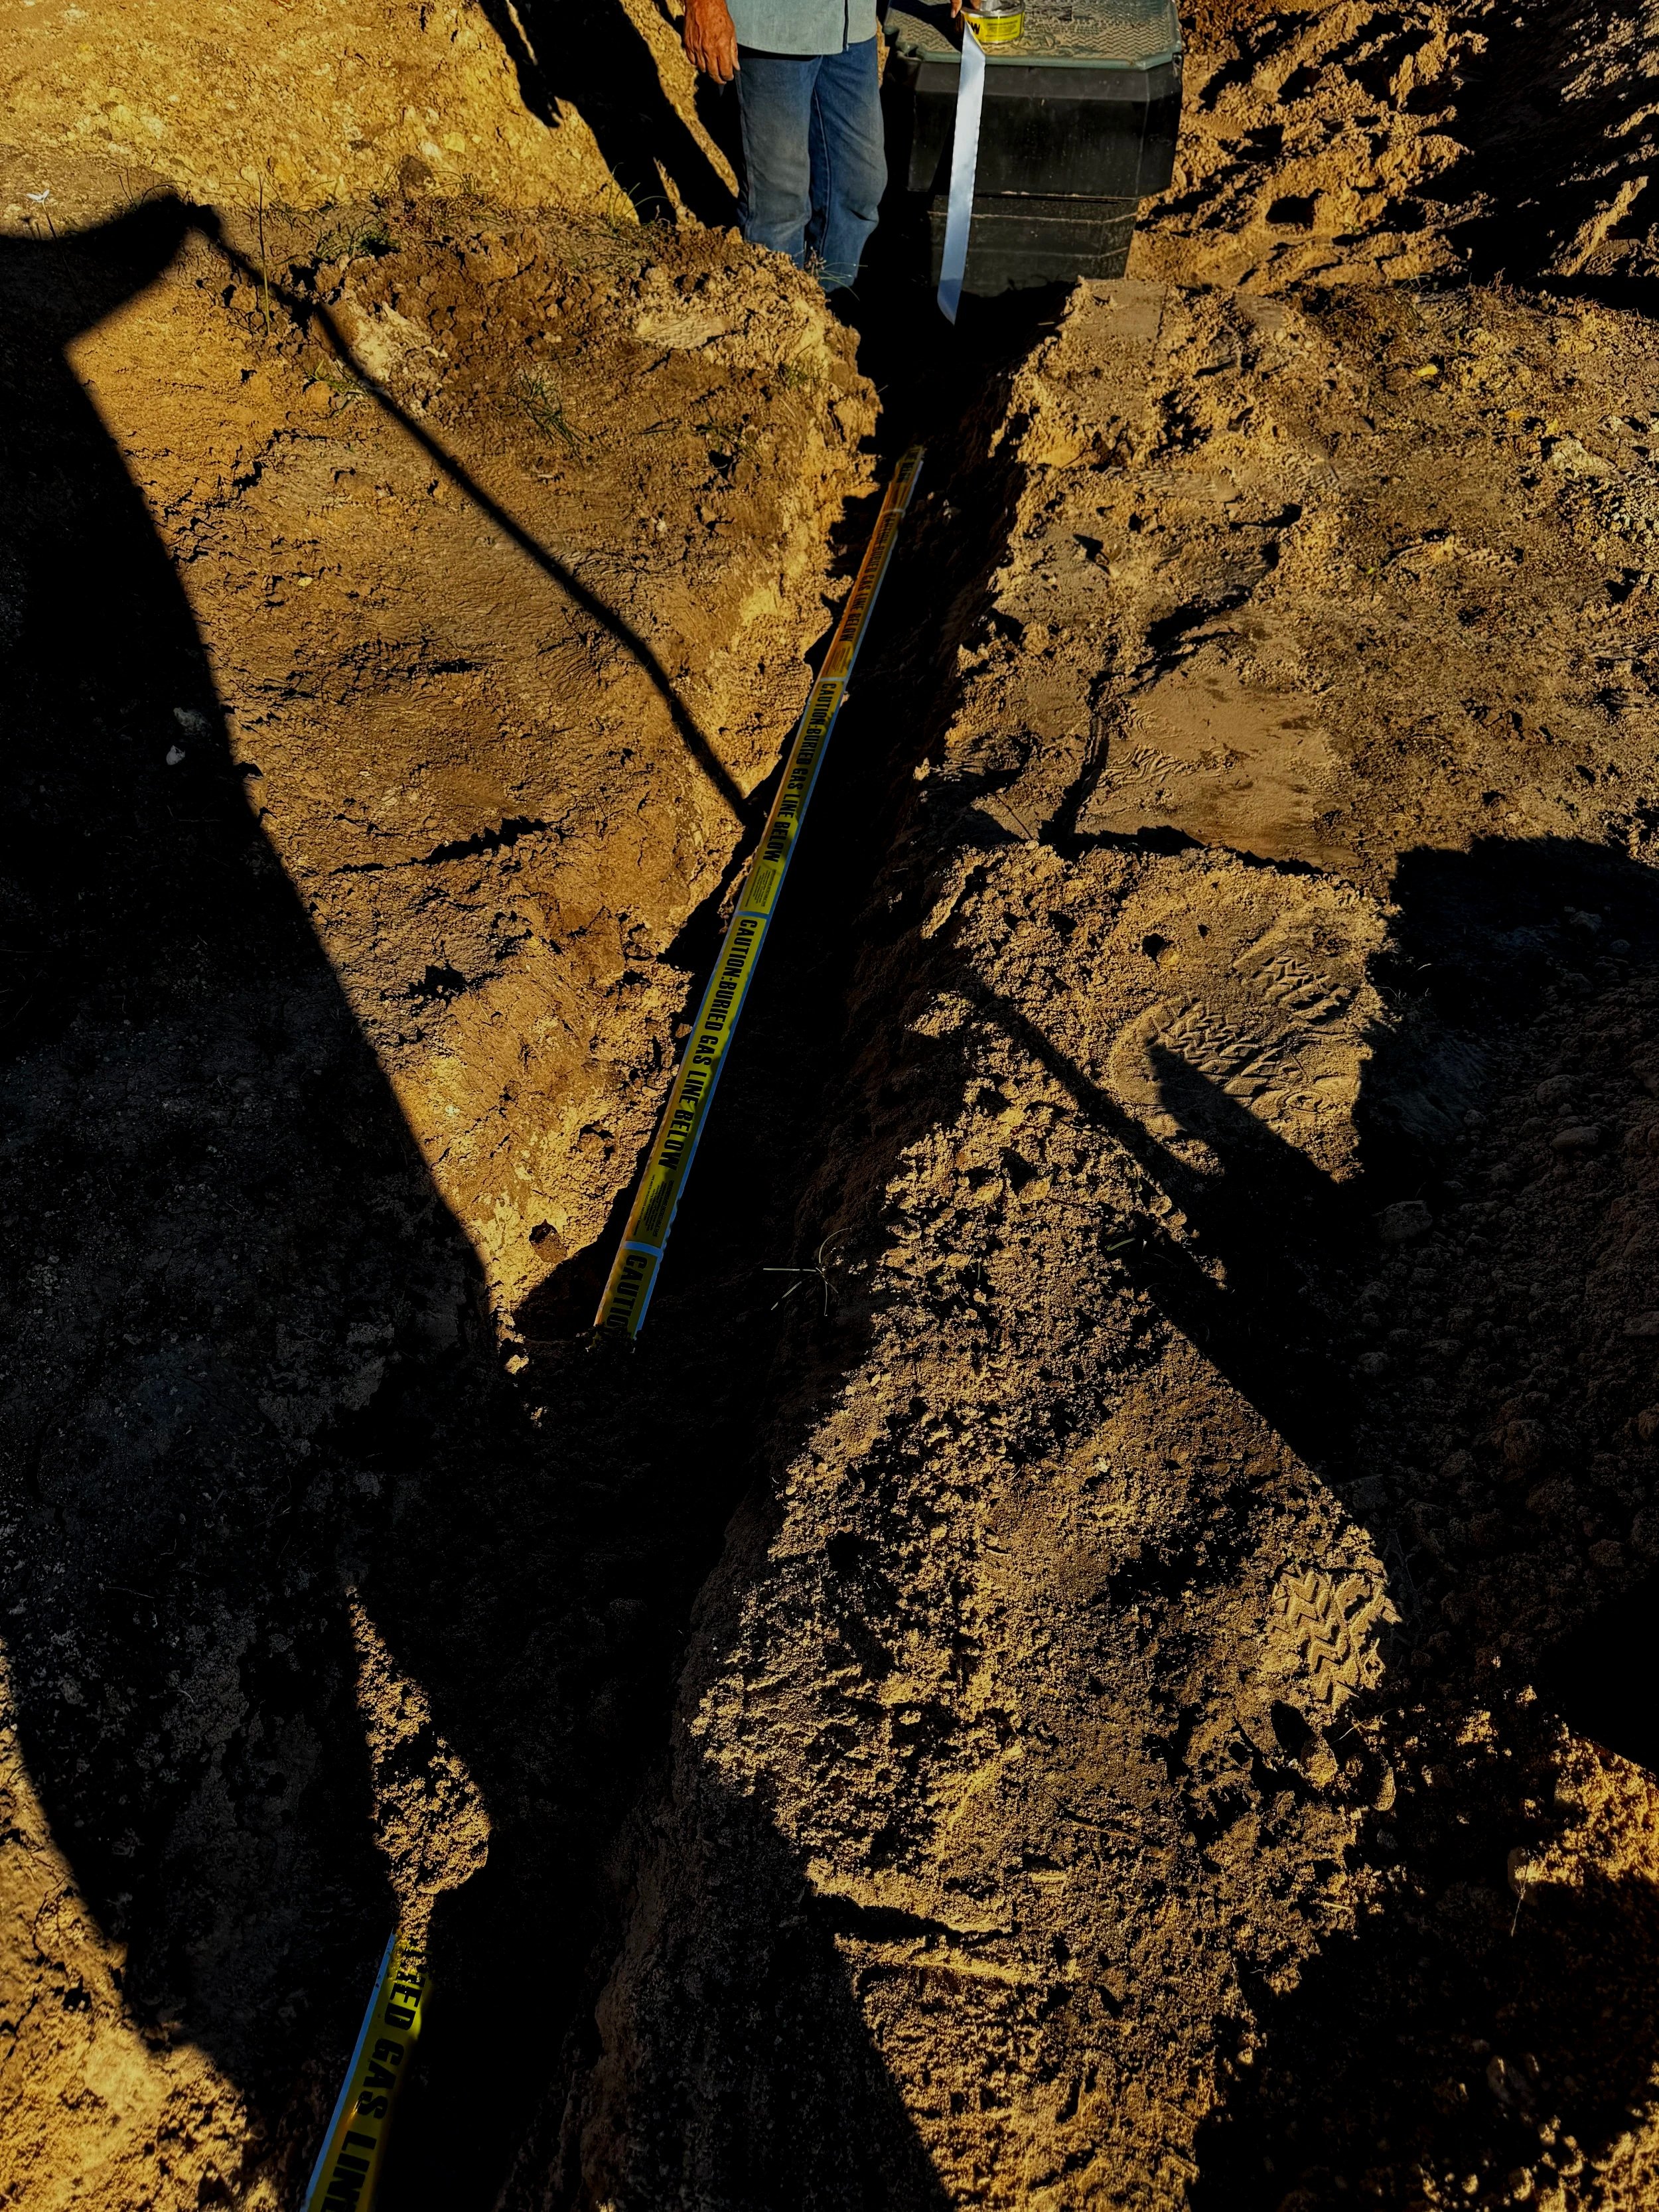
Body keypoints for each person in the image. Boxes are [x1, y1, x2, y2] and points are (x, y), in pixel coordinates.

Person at [681, 0, 952, 293]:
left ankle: (830, 315)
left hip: (850, 22)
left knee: (856, 187)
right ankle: (779, 319)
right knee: (779, 205)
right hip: (771, 27)